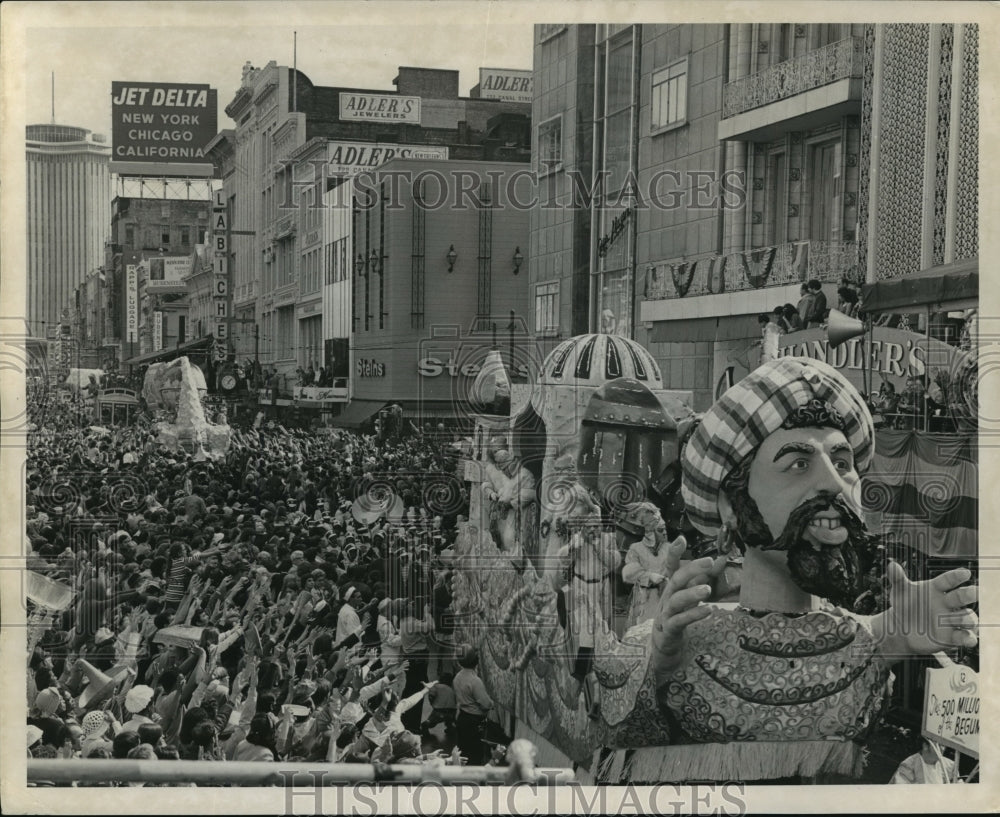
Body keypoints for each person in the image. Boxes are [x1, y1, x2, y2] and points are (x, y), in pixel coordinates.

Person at [651, 356, 979, 782]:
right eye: (798, 464)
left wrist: (901, 632)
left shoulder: (867, 639)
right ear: (731, 505)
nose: (833, 483)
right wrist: (659, 665)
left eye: (842, 464)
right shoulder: (680, 637)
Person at [453, 645, 493, 766]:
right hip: (474, 722)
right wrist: (492, 703)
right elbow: (485, 704)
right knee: (476, 755)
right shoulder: (475, 681)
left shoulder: (457, 677)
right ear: (475, 661)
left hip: (462, 718)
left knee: (464, 753)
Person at [890, 738, 958, 784]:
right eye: (939, 745)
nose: (943, 749)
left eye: (944, 745)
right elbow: (900, 790)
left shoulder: (950, 766)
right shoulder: (909, 765)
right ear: (925, 746)